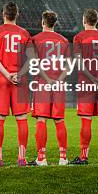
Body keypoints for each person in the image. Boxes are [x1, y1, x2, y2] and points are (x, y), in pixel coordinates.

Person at [0, 1, 32, 167]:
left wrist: (7, 74)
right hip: (20, 79)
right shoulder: (25, 33)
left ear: (3, 14)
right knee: (21, 118)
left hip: (1, 77)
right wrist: (18, 74)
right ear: (17, 15)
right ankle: (22, 158)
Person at [71, 8, 98, 165]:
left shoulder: (79, 38)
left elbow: (79, 62)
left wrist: (92, 78)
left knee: (86, 120)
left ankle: (83, 157)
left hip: (86, 84)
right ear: (96, 21)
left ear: (84, 20)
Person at [27, 10, 70, 166]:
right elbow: (68, 66)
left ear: (43, 22)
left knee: (41, 120)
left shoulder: (35, 39)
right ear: (55, 23)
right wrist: (58, 79)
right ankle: (63, 158)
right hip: (59, 84)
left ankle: (41, 158)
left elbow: (34, 63)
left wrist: (47, 79)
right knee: (59, 120)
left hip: (43, 84)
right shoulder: (64, 40)